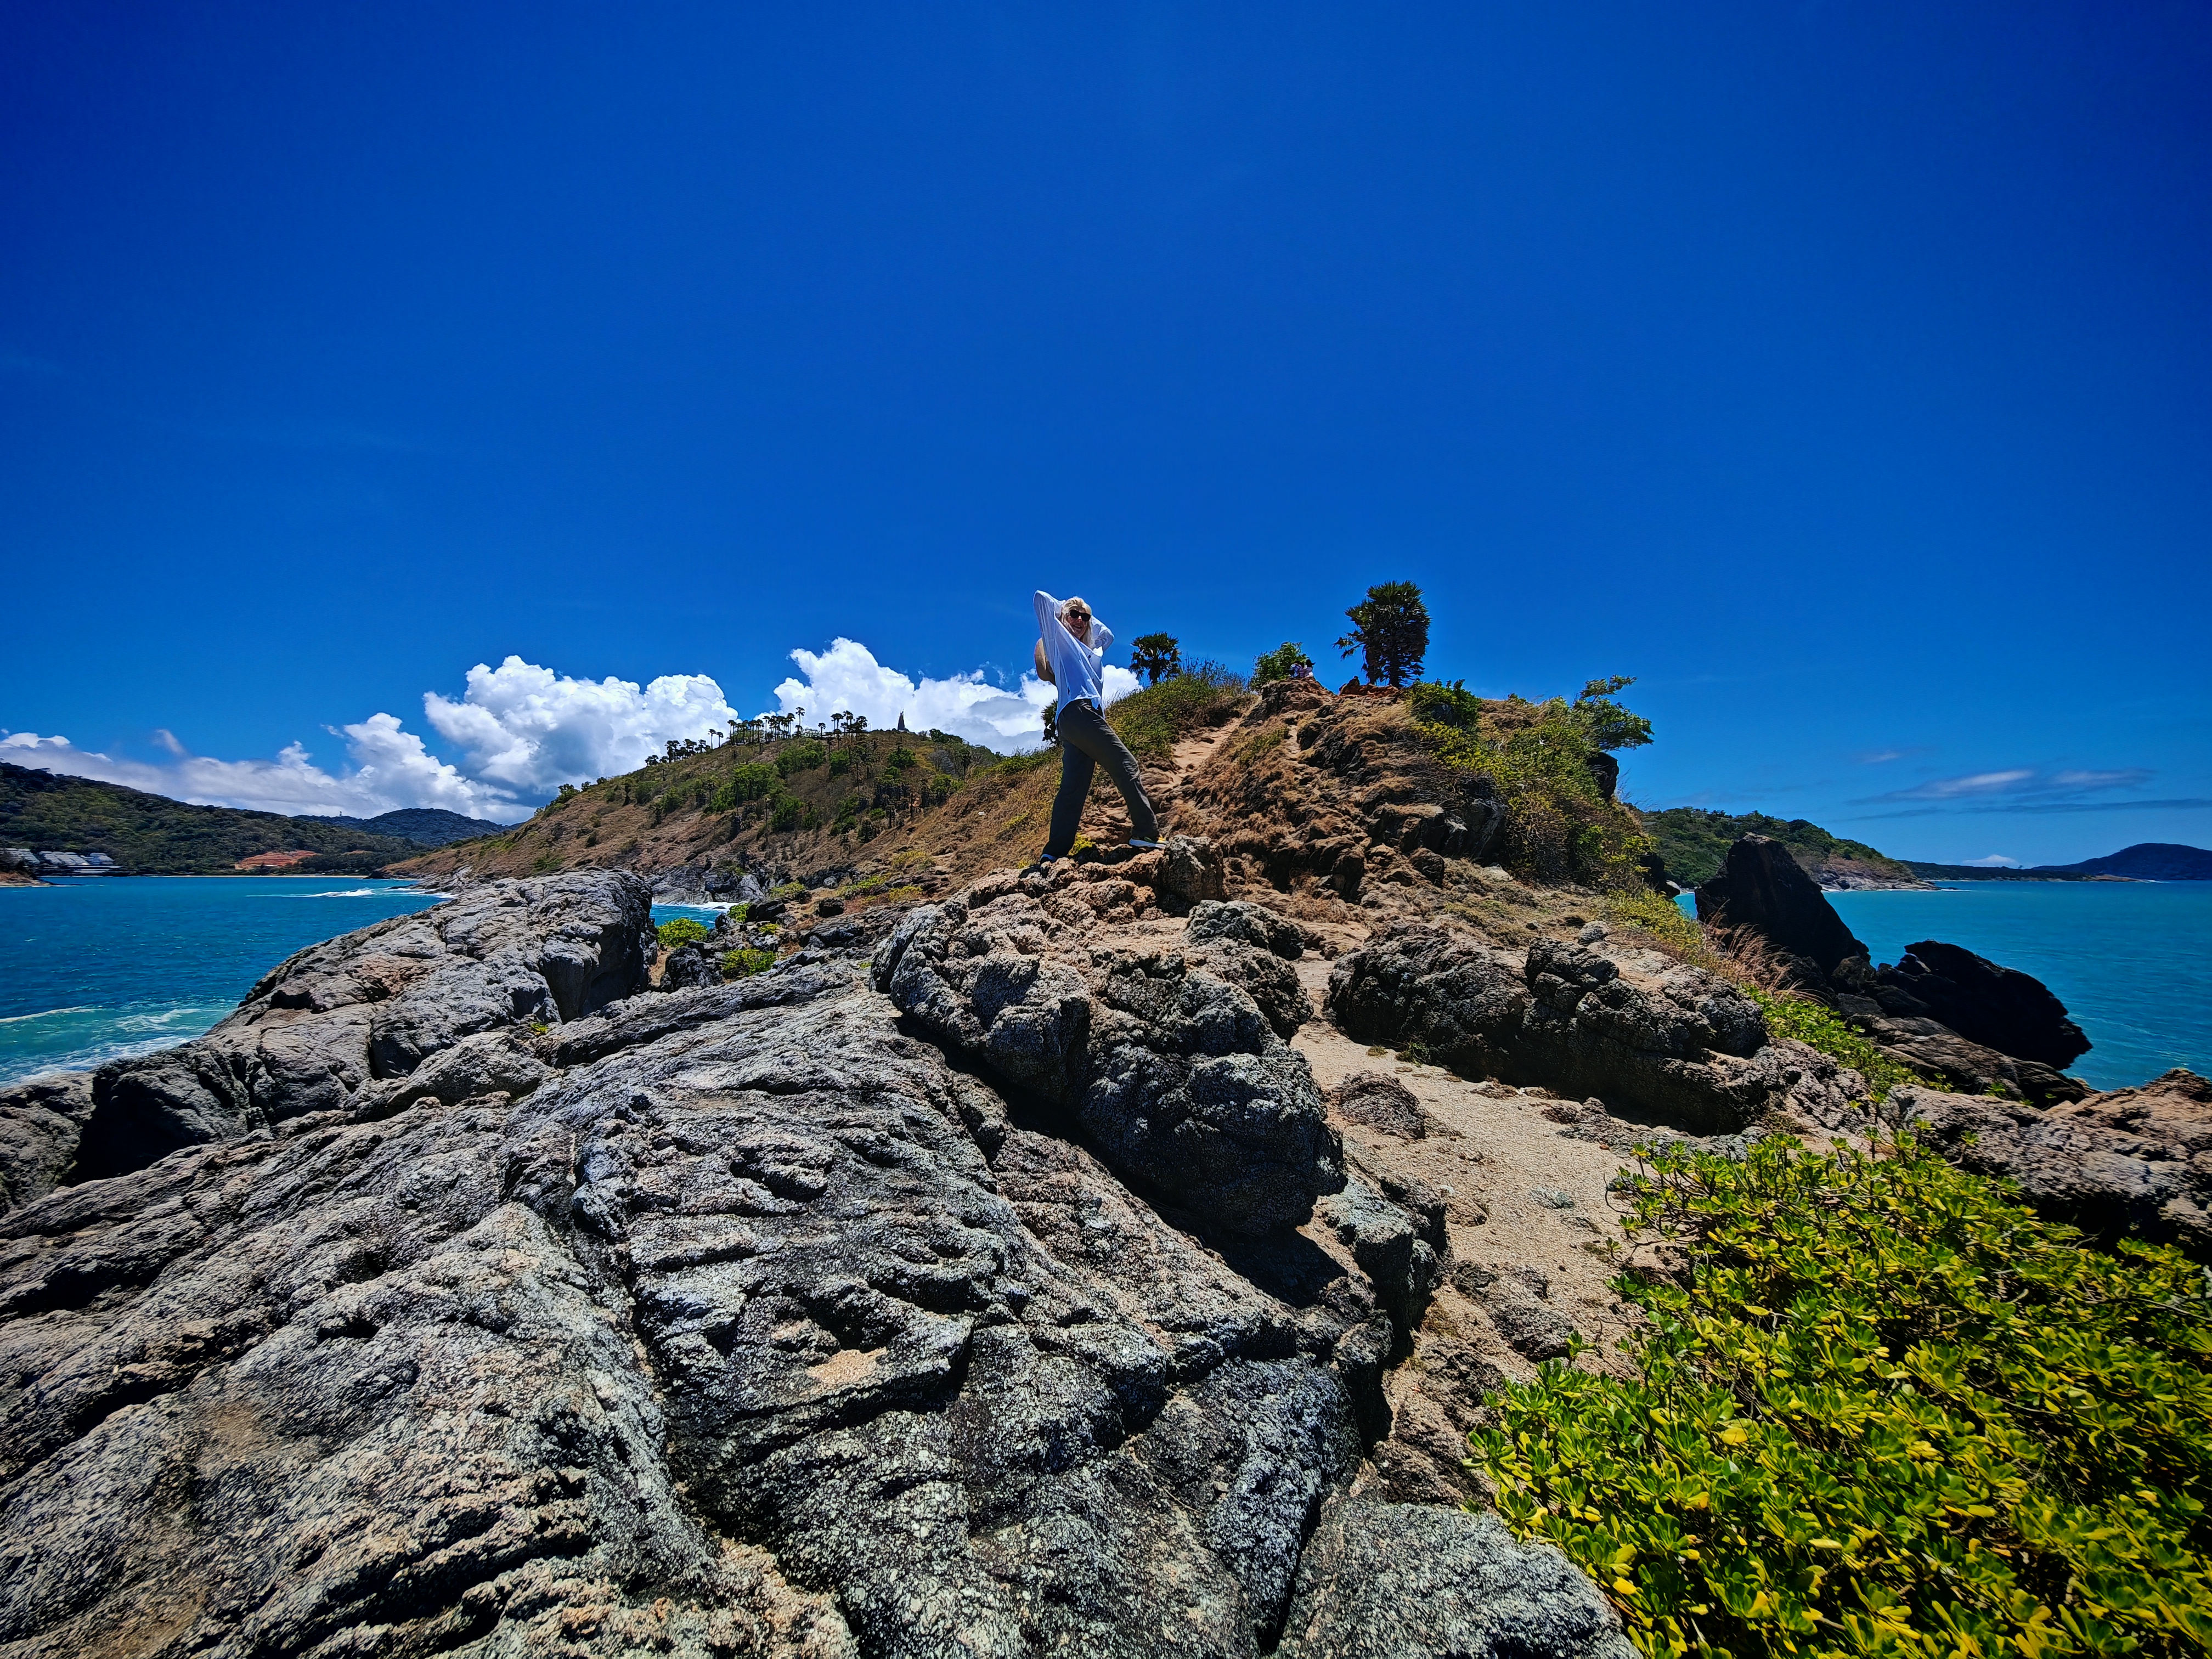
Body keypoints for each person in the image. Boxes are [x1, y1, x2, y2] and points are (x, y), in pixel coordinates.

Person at [1031, 590, 1161, 867]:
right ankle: (1146, 833)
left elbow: (1108, 634)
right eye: (1074, 615)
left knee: (1073, 787)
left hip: (1073, 720)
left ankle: (1054, 852)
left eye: (1085, 617)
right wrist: (1064, 611)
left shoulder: (1091, 649)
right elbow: (1041, 598)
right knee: (1126, 764)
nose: (1079, 619)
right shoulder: (1057, 639)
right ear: (1062, 617)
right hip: (1078, 711)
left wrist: (1083, 618)